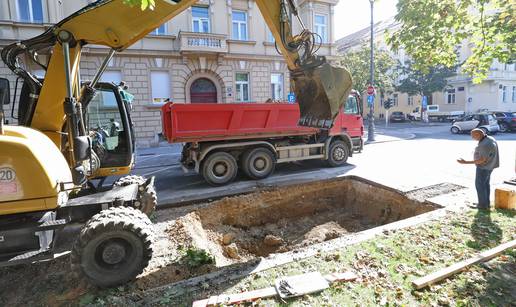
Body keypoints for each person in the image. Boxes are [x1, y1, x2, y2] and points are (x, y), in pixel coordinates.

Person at [457, 128, 499, 209]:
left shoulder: (485, 144)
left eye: (473, 136)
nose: (472, 138)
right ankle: (486, 203)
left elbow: (481, 160)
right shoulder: (490, 138)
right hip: (490, 166)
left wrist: (465, 162)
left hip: (484, 168)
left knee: (480, 186)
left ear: (479, 134)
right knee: (485, 185)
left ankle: (482, 205)